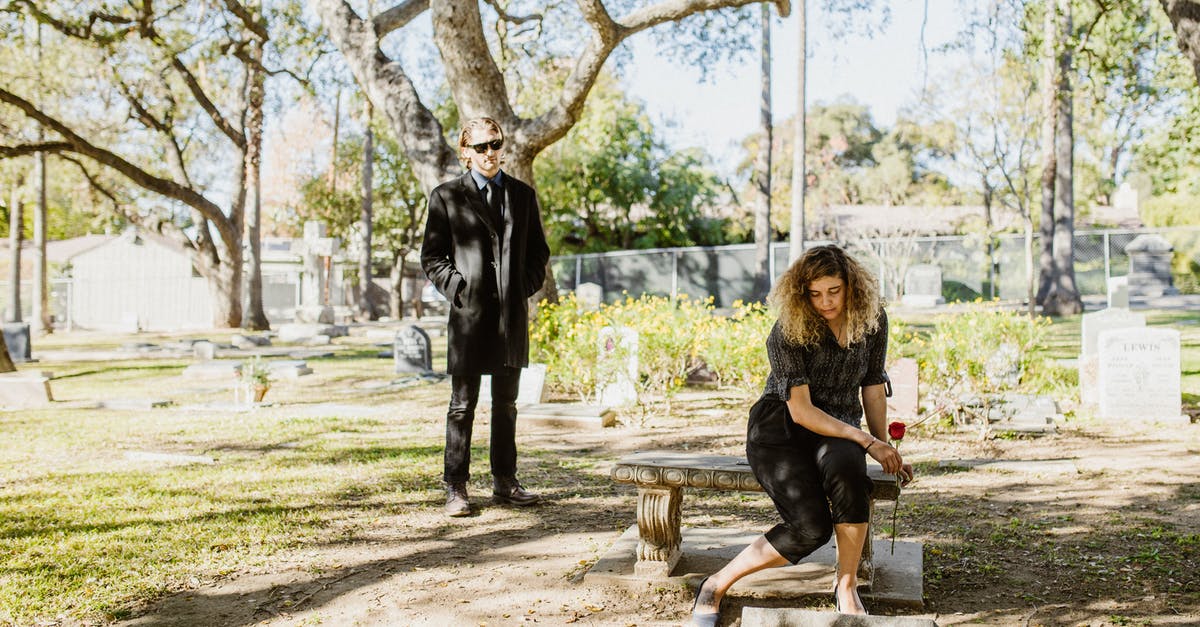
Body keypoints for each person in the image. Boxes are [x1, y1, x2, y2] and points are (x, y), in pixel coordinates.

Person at [689, 245, 913, 625]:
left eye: (834, 291)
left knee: (848, 471)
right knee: (811, 528)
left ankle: (846, 585)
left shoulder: (872, 320)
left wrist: (883, 446)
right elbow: (803, 411)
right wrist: (866, 440)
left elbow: (873, 384)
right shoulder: (788, 331)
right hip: (781, 427)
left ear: (851, 286)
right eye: (815, 293)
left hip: (838, 426)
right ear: (801, 293)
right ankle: (715, 584)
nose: (825, 302)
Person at [421, 117, 550, 518]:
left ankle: (505, 481)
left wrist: (521, 287)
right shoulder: (446, 196)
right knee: (462, 405)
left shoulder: (522, 195)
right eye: (481, 147)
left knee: (506, 404)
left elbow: (538, 254)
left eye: (495, 144)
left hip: (510, 319)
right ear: (466, 153)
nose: (490, 153)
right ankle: (456, 487)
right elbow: (432, 256)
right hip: (469, 318)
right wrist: (459, 288)